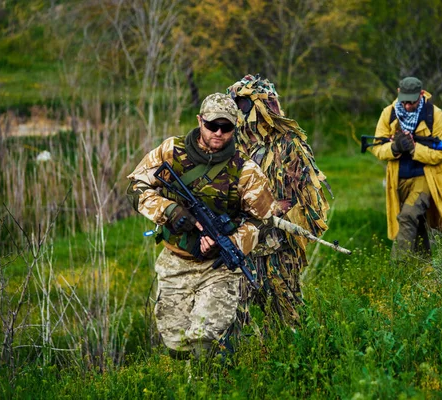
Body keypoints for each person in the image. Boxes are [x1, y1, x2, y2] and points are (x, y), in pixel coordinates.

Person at [126, 93, 281, 359]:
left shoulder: (245, 171)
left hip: (218, 268)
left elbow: (264, 220)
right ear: (200, 121)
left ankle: (210, 384)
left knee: (203, 342)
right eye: (212, 125)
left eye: (226, 127)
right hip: (176, 261)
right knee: (176, 344)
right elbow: (136, 187)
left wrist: (232, 243)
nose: (219, 133)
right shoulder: (171, 151)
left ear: (235, 128)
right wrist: (170, 211)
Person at [226, 74, 331, 327]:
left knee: (287, 313)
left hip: (279, 245)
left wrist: (281, 211)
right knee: (232, 314)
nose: (238, 111)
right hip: (242, 242)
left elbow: (307, 195)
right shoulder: (232, 145)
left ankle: (295, 355)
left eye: (242, 104)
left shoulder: (288, 143)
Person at [369, 77, 442, 258]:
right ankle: (423, 270)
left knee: (408, 217)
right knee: (416, 225)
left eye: (413, 101)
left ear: (422, 94)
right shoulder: (389, 113)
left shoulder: (435, 114)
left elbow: (440, 153)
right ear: (398, 92)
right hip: (399, 179)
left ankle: (397, 269)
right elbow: (377, 148)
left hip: (426, 179)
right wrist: (395, 147)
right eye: (405, 101)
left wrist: (414, 148)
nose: (408, 106)